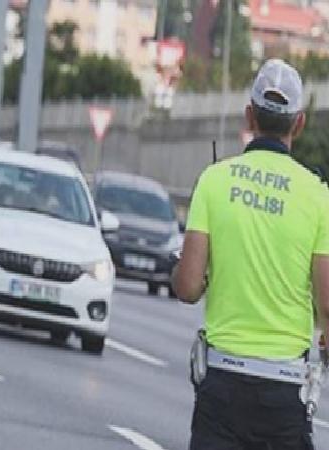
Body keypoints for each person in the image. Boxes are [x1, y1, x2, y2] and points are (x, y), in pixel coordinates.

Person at [172, 59, 329, 449]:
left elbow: (188, 286)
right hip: (285, 392)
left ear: (249, 116)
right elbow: (328, 301)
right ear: (298, 123)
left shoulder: (214, 180)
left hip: (222, 385)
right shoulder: (317, 196)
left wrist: (202, 274)